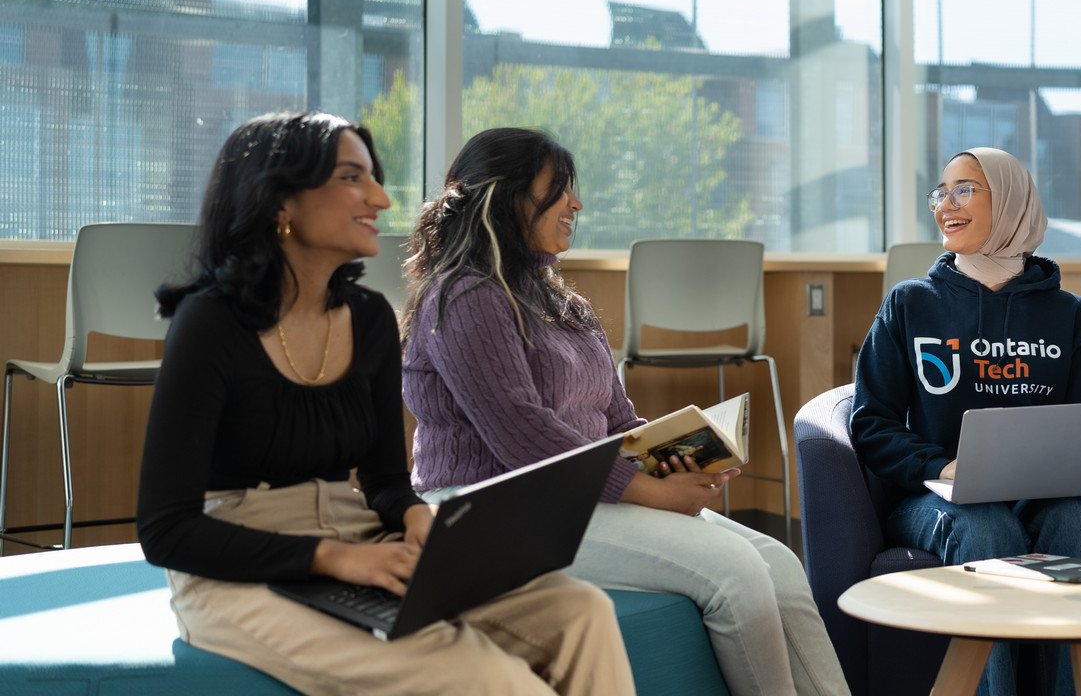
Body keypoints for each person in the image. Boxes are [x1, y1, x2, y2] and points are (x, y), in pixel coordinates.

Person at [136, 113, 632, 696]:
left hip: (357, 531)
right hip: (233, 565)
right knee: (484, 677)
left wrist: (419, 518)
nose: (380, 196)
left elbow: (387, 483)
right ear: (280, 202)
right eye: (353, 178)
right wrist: (332, 561)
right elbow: (166, 530)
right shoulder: (209, 323)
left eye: (374, 177)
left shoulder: (369, 317)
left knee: (580, 613)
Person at [402, 127, 849, 696]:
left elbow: (617, 419)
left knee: (780, 564)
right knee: (735, 576)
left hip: (575, 494)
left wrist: (673, 460)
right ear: (506, 196)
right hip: (493, 509)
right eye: (558, 188)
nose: (576, 203)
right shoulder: (464, 295)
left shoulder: (562, 302)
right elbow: (524, 439)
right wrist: (649, 492)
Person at [850, 147, 1081, 696]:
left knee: (1076, 521)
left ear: (1010, 203)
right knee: (985, 524)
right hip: (936, 500)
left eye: (963, 190)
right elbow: (871, 423)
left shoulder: (1068, 313)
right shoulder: (910, 303)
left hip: (1050, 496)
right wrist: (942, 466)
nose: (945, 206)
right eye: (941, 193)